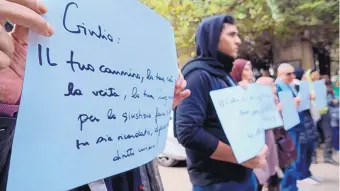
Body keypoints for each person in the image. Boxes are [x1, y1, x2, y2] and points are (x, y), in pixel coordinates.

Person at [0, 1, 190, 191]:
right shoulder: (19, 60)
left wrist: (155, 105)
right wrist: (7, 106)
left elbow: (122, 136)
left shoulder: (114, 79)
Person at [174, 15, 268, 191]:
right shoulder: (197, 75)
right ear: (212, 38)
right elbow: (187, 131)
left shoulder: (223, 75)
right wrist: (240, 157)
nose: (238, 41)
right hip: (217, 183)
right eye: (231, 35)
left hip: (242, 176)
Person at [275, 63, 302, 191]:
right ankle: (287, 188)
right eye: (288, 74)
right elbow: (275, 109)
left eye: (293, 73)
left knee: (294, 160)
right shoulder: (276, 87)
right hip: (285, 129)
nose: (292, 76)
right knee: (288, 162)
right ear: (279, 75)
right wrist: (293, 102)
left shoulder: (289, 86)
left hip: (294, 125)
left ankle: (293, 187)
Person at [292, 68, 320, 185]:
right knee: (303, 150)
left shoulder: (304, 86)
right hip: (302, 121)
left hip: (308, 119)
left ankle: (307, 173)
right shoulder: (296, 87)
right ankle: (302, 175)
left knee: (309, 148)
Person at [305, 69, 338, 165]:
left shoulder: (322, 85)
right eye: (314, 75)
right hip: (312, 113)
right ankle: (313, 157)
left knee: (329, 135)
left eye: (317, 74)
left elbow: (328, 97)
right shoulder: (305, 86)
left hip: (324, 112)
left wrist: (332, 99)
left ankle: (327, 156)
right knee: (314, 136)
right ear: (309, 76)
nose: (316, 76)